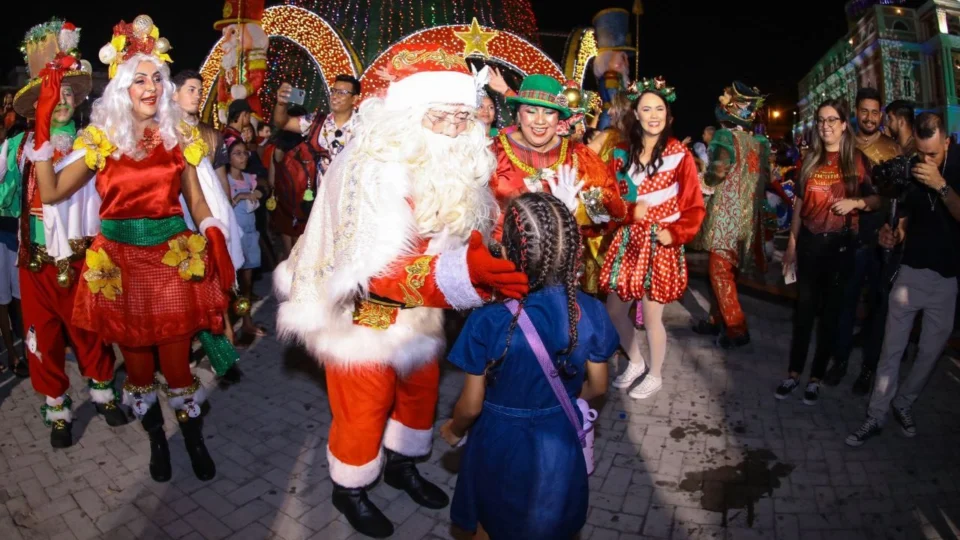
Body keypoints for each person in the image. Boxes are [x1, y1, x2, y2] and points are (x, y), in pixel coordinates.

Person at [273, 43, 529, 538]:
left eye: (462, 117)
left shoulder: (457, 162)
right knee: (364, 405)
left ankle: (401, 463)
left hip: (424, 309)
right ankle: (349, 486)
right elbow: (374, 271)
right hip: (364, 313)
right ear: (410, 114)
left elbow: (466, 228)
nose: (457, 130)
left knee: (419, 393)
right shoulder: (372, 167)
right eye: (442, 118)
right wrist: (466, 275)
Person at [33, 15, 236, 481]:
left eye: (157, 78)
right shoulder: (100, 140)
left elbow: (197, 199)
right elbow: (52, 193)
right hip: (120, 268)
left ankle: (192, 438)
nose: (151, 87)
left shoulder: (178, 137)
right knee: (140, 372)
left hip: (171, 265)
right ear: (123, 88)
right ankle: (156, 443)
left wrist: (213, 231)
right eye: (140, 79)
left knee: (178, 369)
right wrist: (43, 132)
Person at [439, 192, 616, 540]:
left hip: (499, 440)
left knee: (489, 521)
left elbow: (471, 406)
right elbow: (599, 386)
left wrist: (455, 429)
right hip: (559, 439)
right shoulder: (591, 311)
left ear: (508, 252)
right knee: (552, 519)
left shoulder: (487, 320)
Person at [0, 18, 128, 447]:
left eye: (69, 92)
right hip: (32, 261)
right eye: (52, 94)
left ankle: (104, 392)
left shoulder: (92, 144)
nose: (61, 101)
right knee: (41, 340)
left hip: (80, 259)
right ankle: (57, 407)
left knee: (90, 333)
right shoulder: (16, 149)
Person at [847, 113, 960, 446]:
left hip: (947, 279)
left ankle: (904, 402)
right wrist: (894, 233)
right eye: (922, 155)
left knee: (929, 354)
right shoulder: (910, 167)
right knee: (891, 350)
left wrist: (940, 183)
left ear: (947, 143)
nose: (926, 161)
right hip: (910, 272)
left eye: (933, 155)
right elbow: (905, 216)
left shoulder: (956, 168)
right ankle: (876, 415)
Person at [602, 78, 705, 400]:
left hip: (661, 244)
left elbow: (694, 207)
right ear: (636, 113)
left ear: (668, 114)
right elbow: (609, 199)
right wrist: (630, 210)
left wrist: (674, 233)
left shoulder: (679, 154)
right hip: (629, 242)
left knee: (653, 317)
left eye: (659, 108)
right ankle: (635, 360)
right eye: (646, 108)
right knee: (614, 311)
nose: (653, 115)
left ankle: (656, 374)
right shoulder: (620, 153)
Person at [777, 99, 879, 405]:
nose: (826, 126)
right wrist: (792, 245)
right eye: (821, 120)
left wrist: (856, 203)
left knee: (831, 315)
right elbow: (797, 206)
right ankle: (793, 374)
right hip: (809, 244)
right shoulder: (807, 161)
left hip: (840, 248)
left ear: (844, 124)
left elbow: (877, 200)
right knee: (804, 313)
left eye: (832, 120)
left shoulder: (858, 161)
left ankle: (816, 378)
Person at [824, 87, 903, 391]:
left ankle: (870, 369)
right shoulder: (844, 144)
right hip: (849, 236)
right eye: (864, 111)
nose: (869, 117)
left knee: (879, 307)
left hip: (882, 240)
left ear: (880, 114)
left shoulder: (892, 148)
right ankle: (840, 361)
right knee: (845, 302)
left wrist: (895, 231)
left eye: (875, 112)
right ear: (856, 113)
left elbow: (897, 197)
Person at [691, 81, 771, 349]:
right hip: (749, 219)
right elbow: (764, 179)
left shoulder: (725, 138)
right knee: (726, 272)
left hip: (726, 216)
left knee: (719, 271)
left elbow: (717, 172)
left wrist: (702, 181)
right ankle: (716, 320)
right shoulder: (760, 143)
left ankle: (736, 328)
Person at [225, 136, 265, 346]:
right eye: (237, 153)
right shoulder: (224, 179)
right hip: (233, 237)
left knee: (247, 285)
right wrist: (239, 197)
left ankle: (247, 321)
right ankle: (228, 328)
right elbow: (222, 206)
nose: (243, 157)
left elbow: (265, 189)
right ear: (228, 157)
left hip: (250, 236)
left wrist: (259, 192)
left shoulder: (250, 178)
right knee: (232, 286)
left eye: (245, 153)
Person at [273, 74, 360, 166]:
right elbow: (283, 123)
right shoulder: (317, 122)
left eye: (341, 93)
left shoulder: (364, 126)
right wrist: (281, 104)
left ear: (354, 99)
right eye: (333, 91)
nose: (334, 96)